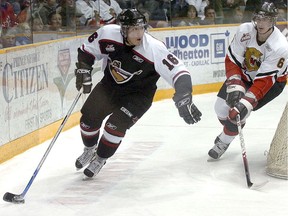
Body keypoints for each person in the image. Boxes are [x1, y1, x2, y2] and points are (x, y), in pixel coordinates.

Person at [74, 8, 202, 178]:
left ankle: (100, 158)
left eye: (141, 28)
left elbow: (179, 71)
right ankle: (89, 150)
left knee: (114, 126)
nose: (139, 33)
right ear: (124, 29)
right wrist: (84, 69)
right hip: (109, 87)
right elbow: (87, 50)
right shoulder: (107, 33)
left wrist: (184, 96)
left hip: (138, 96)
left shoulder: (154, 48)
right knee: (88, 121)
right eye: (134, 29)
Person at [208, 2, 288, 160]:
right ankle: (231, 131)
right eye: (258, 18)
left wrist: (245, 103)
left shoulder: (280, 46)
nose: (260, 22)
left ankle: (224, 141)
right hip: (245, 75)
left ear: (273, 21)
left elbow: (264, 80)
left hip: (272, 83)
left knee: (239, 112)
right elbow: (232, 59)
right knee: (220, 108)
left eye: (265, 19)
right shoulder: (245, 30)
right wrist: (235, 84)